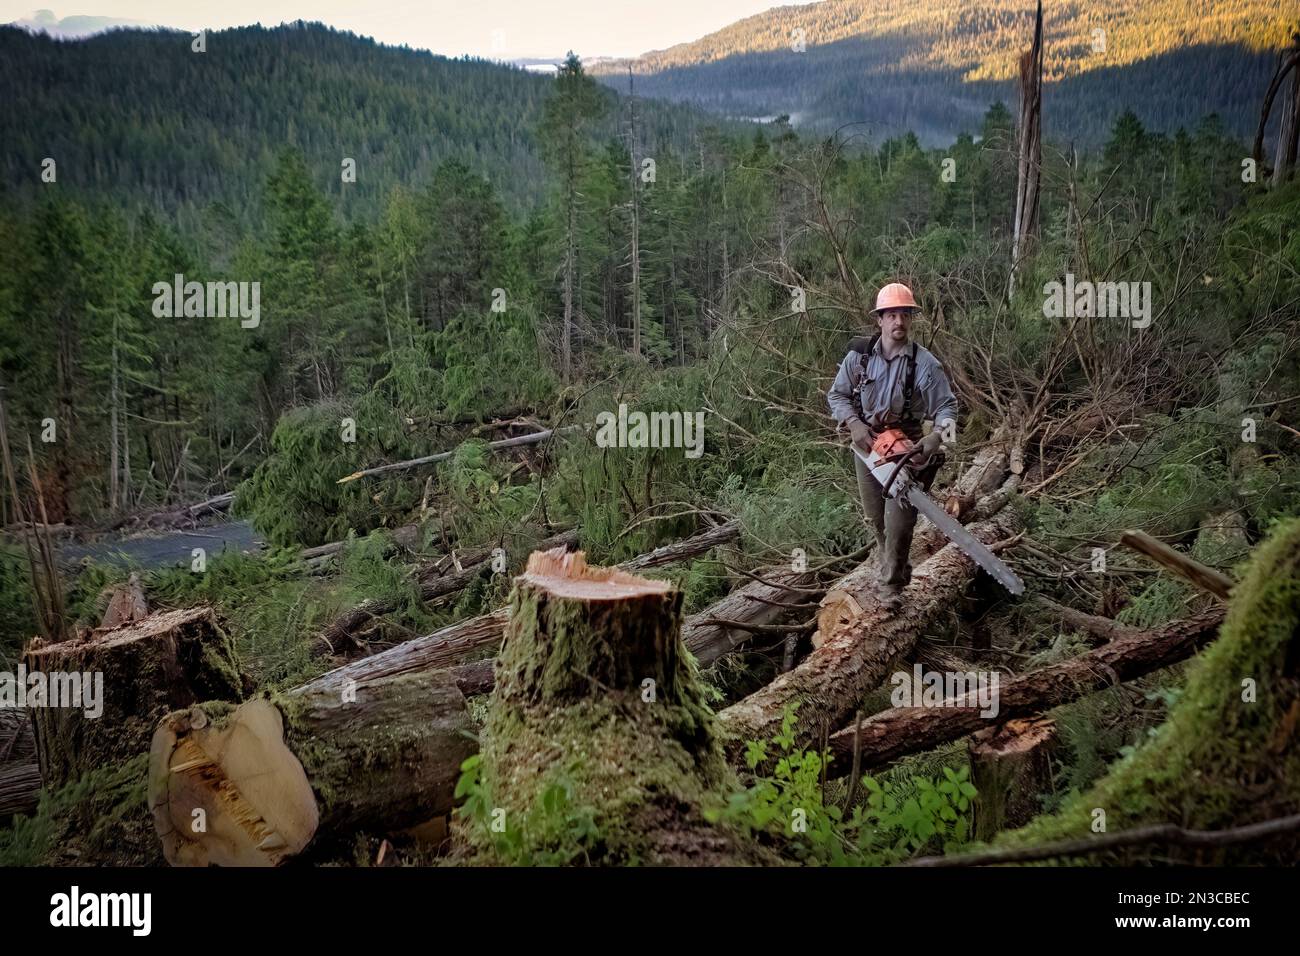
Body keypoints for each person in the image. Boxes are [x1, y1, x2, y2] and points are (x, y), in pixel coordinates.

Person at [826, 282, 959, 608]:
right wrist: (853, 423)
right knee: (877, 521)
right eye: (892, 315)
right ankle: (895, 568)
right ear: (880, 319)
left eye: (905, 315)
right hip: (867, 444)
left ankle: (890, 593)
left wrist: (934, 436)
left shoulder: (924, 363)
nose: (899, 321)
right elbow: (836, 395)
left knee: (899, 523)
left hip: (905, 446)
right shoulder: (857, 358)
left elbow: (948, 407)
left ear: (910, 319)